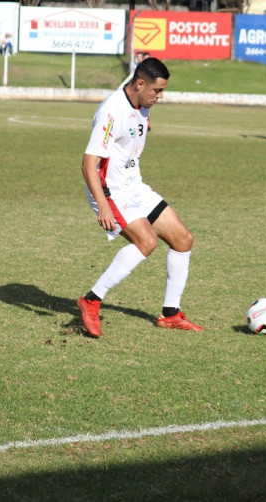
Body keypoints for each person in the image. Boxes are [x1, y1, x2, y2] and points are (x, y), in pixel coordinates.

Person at [77, 56, 203, 337]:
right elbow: (89, 162)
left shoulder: (141, 101)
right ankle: (91, 300)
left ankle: (170, 314)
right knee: (146, 241)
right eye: (157, 91)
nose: (160, 97)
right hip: (109, 188)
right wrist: (103, 207)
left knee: (183, 239)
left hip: (133, 184)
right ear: (140, 84)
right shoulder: (112, 112)